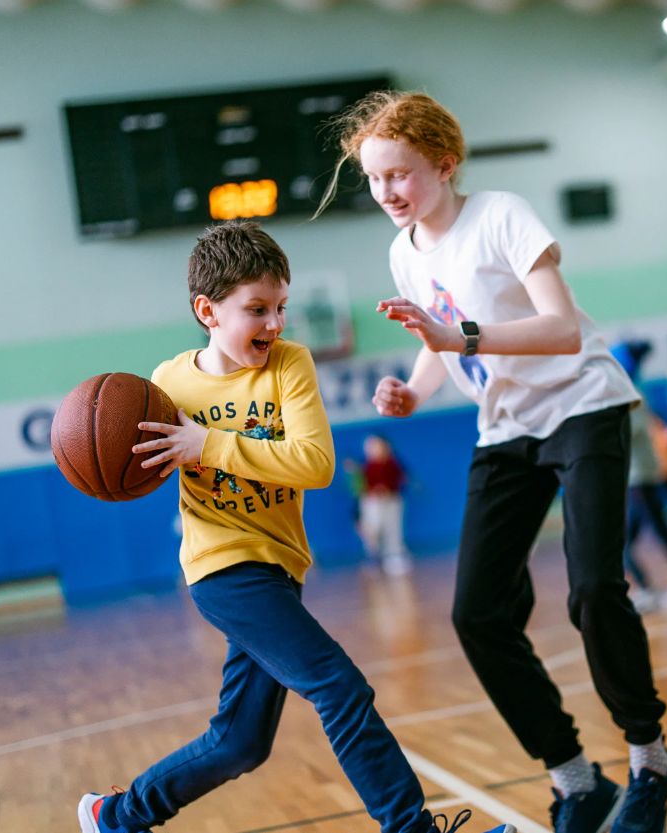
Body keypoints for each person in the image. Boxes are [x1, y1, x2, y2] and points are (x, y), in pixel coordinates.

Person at [76, 222, 513, 833]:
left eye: (281, 306)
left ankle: (118, 815)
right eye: (257, 309)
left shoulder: (289, 365)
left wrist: (209, 444)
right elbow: (134, 460)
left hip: (280, 566)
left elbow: (316, 464)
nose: (276, 323)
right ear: (207, 311)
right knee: (339, 687)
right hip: (222, 569)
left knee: (241, 742)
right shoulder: (167, 385)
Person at [322, 90, 667, 833]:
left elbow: (559, 329)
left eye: (399, 173)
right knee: (477, 613)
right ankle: (576, 781)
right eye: (374, 178)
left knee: (594, 590)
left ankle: (649, 760)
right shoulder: (404, 251)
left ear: (444, 163)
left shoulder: (500, 216)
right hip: (506, 426)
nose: (386, 191)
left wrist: (459, 339)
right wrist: (414, 391)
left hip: (582, 404)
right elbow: (439, 344)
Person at [609, 339, 667, 613]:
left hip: (639, 475)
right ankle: (655, 586)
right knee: (629, 539)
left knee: (647, 533)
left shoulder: (629, 395)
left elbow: (631, 432)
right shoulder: (627, 393)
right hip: (636, 475)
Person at [358, 432, 413, 576]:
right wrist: (373, 491)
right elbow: (360, 486)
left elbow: (401, 478)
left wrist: (389, 489)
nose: (374, 449)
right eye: (370, 447)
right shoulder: (365, 466)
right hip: (372, 503)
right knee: (373, 529)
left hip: (392, 501)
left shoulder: (393, 463)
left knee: (393, 530)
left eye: (377, 446)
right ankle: (374, 557)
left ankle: (394, 557)